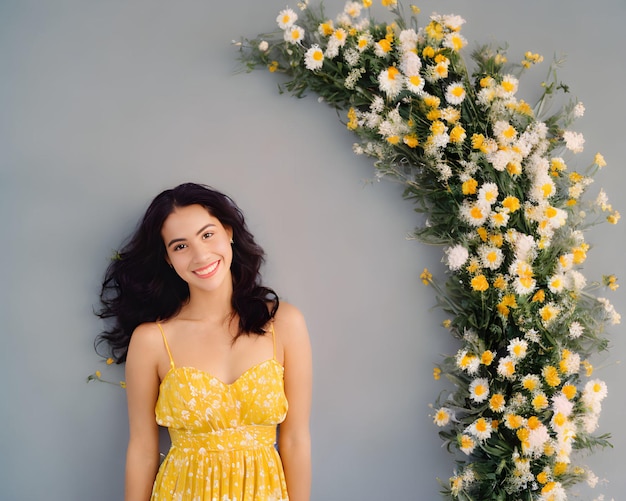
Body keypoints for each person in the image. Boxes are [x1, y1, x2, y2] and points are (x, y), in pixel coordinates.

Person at [97, 182, 312, 501]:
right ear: (168, 259)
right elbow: (143, 449)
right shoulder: (153, 340)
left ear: (229, 232)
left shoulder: (283, 323)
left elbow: (295, 439)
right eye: (180, 246)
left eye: (207, 234)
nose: (200, 255)